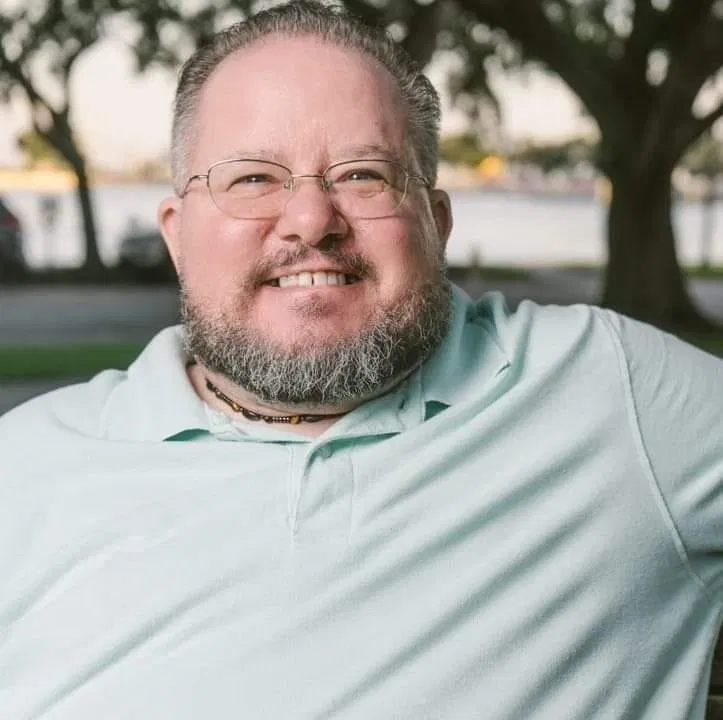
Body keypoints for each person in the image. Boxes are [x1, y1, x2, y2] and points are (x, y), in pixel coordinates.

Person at [1, 2, 723, 718]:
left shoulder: (608, 393)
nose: (311, 220)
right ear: (176, 232)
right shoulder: (24, 467)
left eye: (362, 175)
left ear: (435, 224)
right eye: (252, 178)